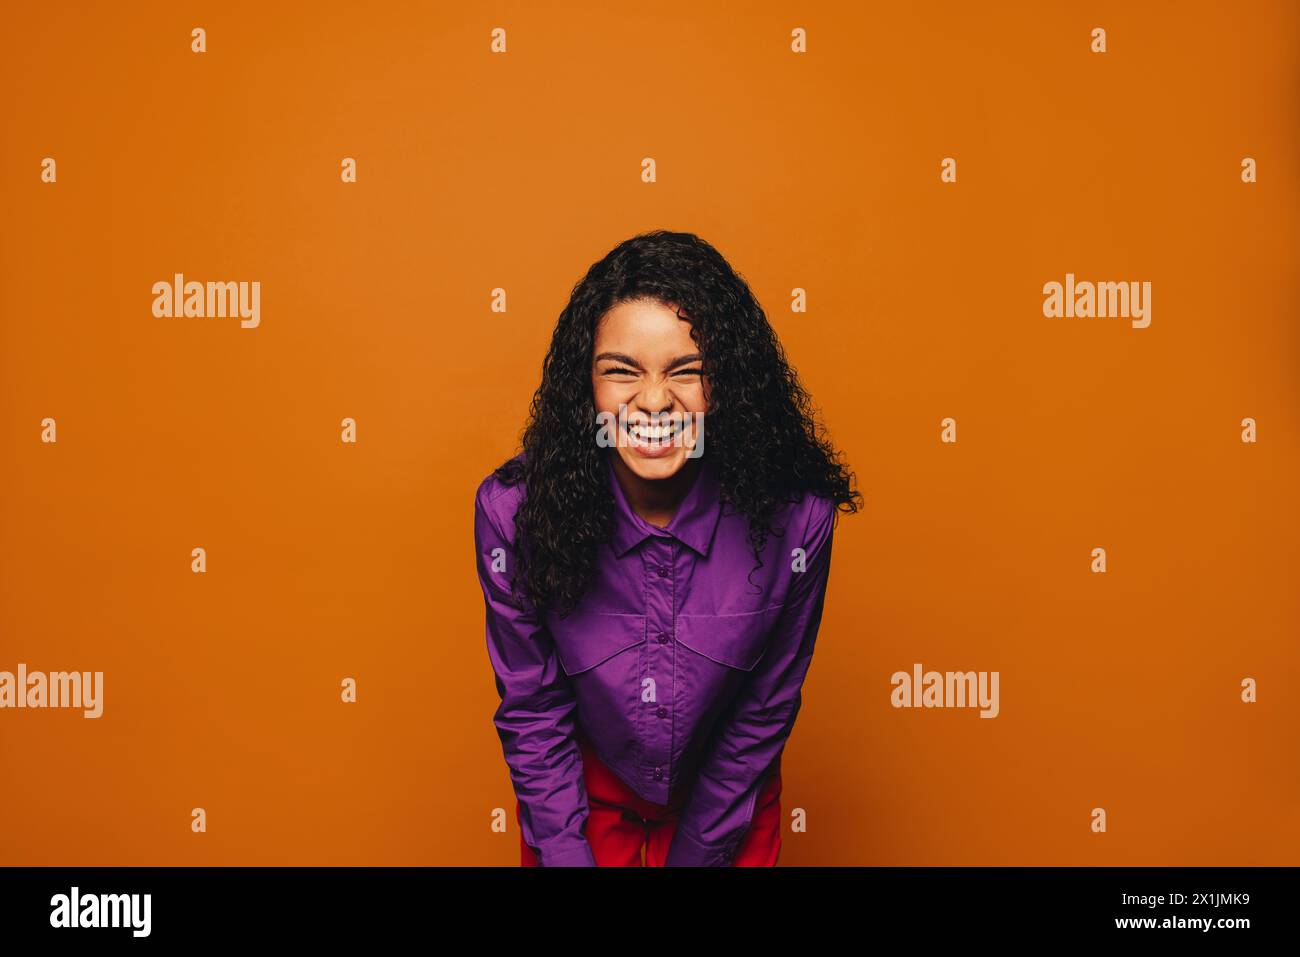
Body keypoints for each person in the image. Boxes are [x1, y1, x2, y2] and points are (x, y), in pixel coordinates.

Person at [473, 229, 861, 866]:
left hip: (726, 806)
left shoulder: (798, 519)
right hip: (577, 807)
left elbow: (763, 710)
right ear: (584, 390)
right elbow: (535, 708)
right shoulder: (512, 514)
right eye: (621, 372)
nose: (654, 403)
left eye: (688, 372)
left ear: (728, 386)